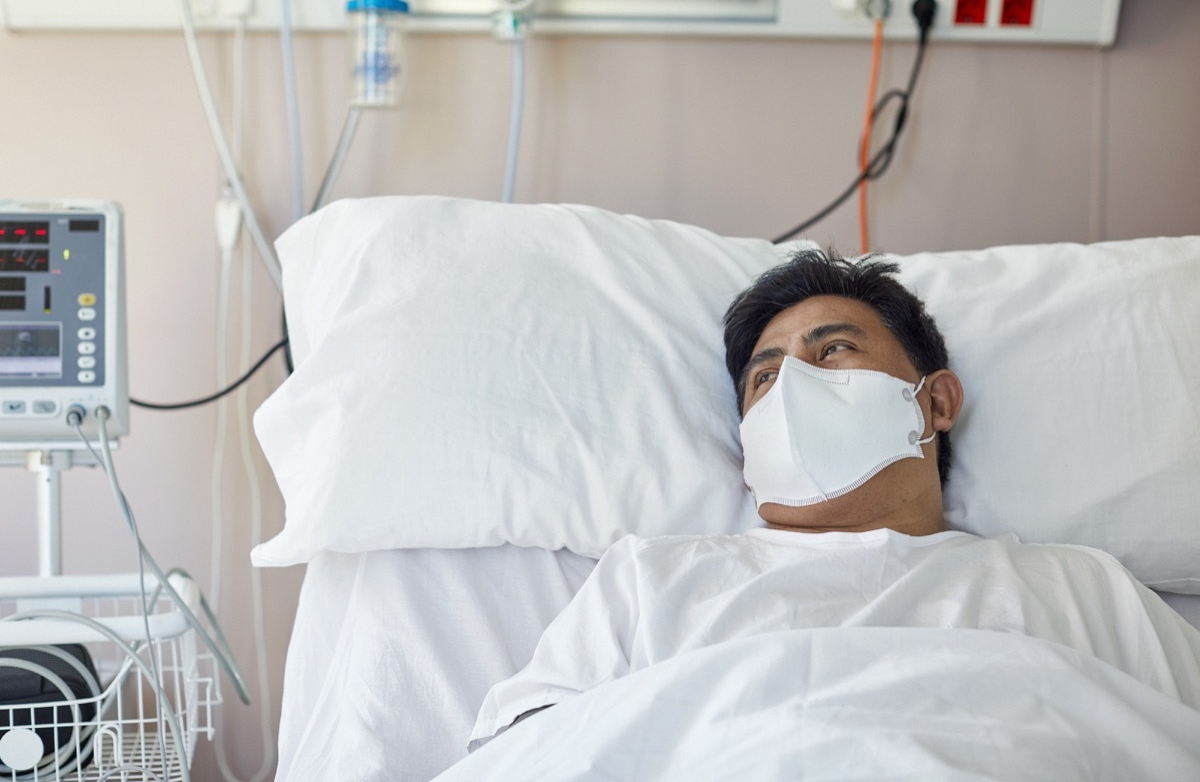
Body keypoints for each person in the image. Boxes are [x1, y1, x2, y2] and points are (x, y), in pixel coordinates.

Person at [467, 250, 1200, 749]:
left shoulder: (1079, 588)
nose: (793, 389)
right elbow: (529, 751)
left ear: (935, 401)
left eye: (833, 352)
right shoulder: (650, 578)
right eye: (765, 376)